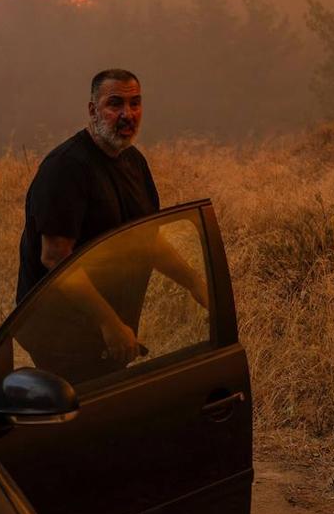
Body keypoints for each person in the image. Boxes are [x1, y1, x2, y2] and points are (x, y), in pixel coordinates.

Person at [15, 69, 208, 384]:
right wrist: (109, 323)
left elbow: (147, 240)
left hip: (109, 330)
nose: (127, 114)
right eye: (115, 104)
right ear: (92, 110)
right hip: (64, 334)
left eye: (135, 103)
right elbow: (55, 257)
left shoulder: (134, 162)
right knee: (86, 419)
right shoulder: (66, 168)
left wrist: (195, 283)